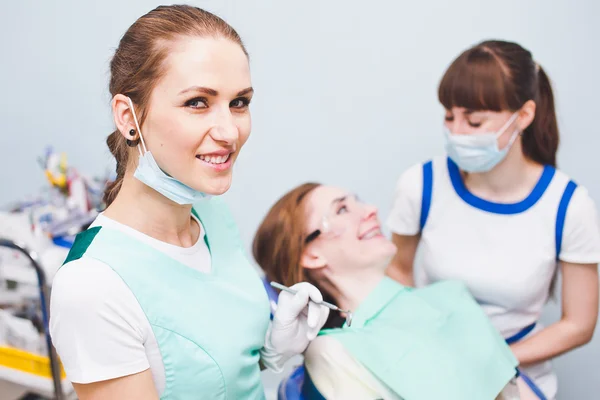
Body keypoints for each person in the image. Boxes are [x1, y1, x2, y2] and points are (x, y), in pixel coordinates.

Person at [48, 5, 328, 399]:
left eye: (240, 102)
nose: (230, 131)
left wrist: (271, 349)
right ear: (128, 117)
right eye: (197, 102)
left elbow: (201, 368)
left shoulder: (210, 213)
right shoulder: (91, 285)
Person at [386, 40, 600, 400]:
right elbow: (397, 271)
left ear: (524, 115)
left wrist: (494, 361)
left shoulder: (567, 205)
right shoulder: (420, 185)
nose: (456, 133)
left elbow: (579, 324)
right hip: (433, 365)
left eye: (474, 120)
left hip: (520, 375)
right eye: (449, 117)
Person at [253, 183, 526, 400]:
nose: (370, 209)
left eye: (358, 201)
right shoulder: (332, 350)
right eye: (342, 210)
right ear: (311, 255)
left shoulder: (451, 299)